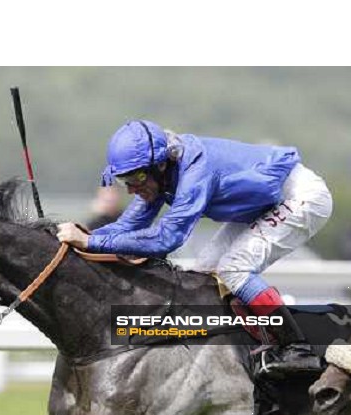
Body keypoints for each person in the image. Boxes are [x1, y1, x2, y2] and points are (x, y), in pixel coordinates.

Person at [57, 120, 333, 377]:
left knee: (233, 269)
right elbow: (130, 224)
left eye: (137, 177)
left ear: (161, 166)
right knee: (201, 274)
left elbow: (167, 239)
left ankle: (297, 348)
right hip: (264, 206)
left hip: (300, 197)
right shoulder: (158, 175)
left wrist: (91, 242)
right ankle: (250, 343)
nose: (131, 188)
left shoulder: (196, 171)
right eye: (125, 180)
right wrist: (78, 238)